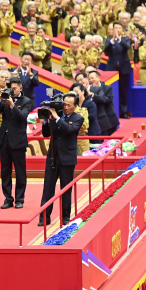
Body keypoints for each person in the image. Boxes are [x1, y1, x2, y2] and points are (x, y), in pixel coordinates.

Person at [39, 93, 84, 227]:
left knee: (66, 189)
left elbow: (70, 130)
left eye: (69, 105)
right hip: (53, 156)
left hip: (67, 158)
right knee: (48, 188)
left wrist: (58, 118)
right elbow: (46, 134)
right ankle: (44, 217)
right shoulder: (55, 115)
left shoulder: (78, 118)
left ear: (75, 106)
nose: (66, 107)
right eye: (64, 104)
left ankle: (65, 217)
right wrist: (46, 120)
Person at [0, 77, 31, 209]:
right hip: (4, 140)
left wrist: (12, 105)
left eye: (14, 88)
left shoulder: (26, 101)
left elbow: (23, 117)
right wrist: (0, 99)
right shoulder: (5, 99)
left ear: (20, 88)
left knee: (20, 171)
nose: (12, 91)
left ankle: (20, 199)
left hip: (18, 141)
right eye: (11, 88)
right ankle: (8, 198)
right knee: (5, 171)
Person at [104, 22, 132, 118]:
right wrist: (113, 40)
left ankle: (123, 112)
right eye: (115, 28)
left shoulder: (125, 39)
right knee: (110, 91)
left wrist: (119, 39)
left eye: (119, 28)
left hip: (124, 69)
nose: (117, 30)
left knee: (123, 91)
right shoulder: (108, 40)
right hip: (112, 69)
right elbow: (106, 50)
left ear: (122, 30)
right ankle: (111, 112)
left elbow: (127, 47)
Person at [88, 70, 119, 135]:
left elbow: (107, 100)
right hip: (99, 119)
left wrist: (94, 94)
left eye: (92, 78)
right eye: (89, 79)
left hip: (109, 117)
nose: (91, 80)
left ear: (98, 77)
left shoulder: (107, 88)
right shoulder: (88, 90)